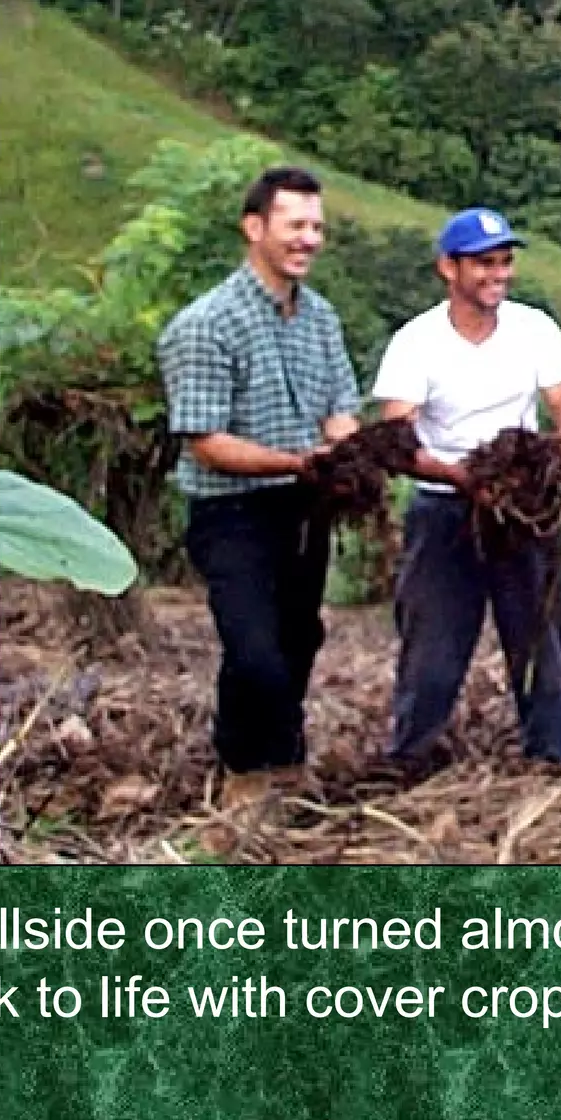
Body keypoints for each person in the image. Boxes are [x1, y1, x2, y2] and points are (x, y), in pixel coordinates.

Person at [156, 166, 361, 809]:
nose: (309, 239)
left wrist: (343, 448)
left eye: (317, 227)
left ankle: (284, 764)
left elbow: (341, 404)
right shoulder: (206, 323)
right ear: (254, 228)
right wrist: (298, 461)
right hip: (231, 510)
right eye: (295, 225)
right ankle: (244, 772)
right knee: (254, 649)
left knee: (299, 637)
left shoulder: (320, 318)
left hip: (303, 504)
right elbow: (206, 440)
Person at [370, 207, 561, 777]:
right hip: (445, 506)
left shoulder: (534, 329)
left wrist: (540, 468)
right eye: (483, 263)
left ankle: (556, 758)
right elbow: (398, 441)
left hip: (523, 507)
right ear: (449, 268)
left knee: (540, 641)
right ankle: (410, 759)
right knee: (433, 646)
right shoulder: (417, 342)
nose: (498, 274)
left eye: (505, 262)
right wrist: (464, 477)